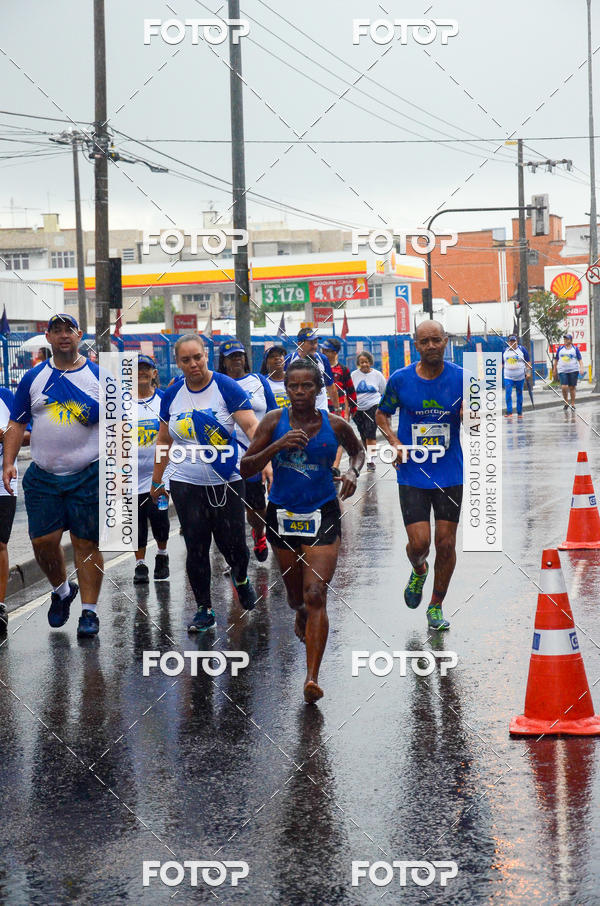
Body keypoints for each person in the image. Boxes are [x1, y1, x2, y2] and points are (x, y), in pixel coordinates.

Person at [241, 358, 364, 704]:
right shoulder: (272, 422)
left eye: (306, 386)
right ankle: (299, 611)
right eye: (292, 386)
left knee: (316, 595)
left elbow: (358, 453)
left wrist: (353, 472)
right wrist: (276, 447)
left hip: (322, 511)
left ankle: (312, 678)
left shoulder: (336, 425)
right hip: (281, 513)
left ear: (318, 389)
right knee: (297, 598)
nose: (298, 392)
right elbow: (246, 465)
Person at [2, 314, 104, 638]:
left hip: (88, 472)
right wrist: (9, 461)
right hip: (44, 476)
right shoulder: (33, 378)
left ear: (80, 335)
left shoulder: (101, 377)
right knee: (43, 542)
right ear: (47, 337)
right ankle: (62, 590)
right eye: (56, 330)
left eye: (68, 330)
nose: (63, 335)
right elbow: (16, 424)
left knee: (85, 542)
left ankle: (89, 613)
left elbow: (118, 425)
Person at [150, 334, 260, 632]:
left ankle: (241, 578)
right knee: (196, 545)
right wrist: (157, 480)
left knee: (233, 544)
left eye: (197, 357)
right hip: (186, 483)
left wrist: (265, 459)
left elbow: (251, 426)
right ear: (178, 363)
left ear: (206, 356)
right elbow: (164, 439)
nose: (193, 364)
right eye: (186, 360)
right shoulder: (172, 394)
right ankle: (204, 609)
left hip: (226, 479)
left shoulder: (225, 386)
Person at [376, 320, 463, 632]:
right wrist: (394, 442)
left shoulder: (462, 379)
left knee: (447, 543)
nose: (431, 346)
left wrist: (473, 415)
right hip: (413, 471)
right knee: (420, 543)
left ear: (445, 341)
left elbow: (480, 418)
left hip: (449, 471)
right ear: (416, 345)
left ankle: (436, 605)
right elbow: (382, 414)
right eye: (424, 341)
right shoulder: (400, 380)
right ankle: (419, 568)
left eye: (436, 340)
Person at [218, 338, 278, 562]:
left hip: (258, 453)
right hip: (228, 455)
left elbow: (273, 414)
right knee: (230, 509)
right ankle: (235, 557)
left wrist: (273, 450)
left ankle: (259, 533)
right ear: (223, 362)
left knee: (256, 506)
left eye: (239, 355)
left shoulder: (258, 381)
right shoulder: (218, 384)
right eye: (231, 356)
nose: (236, 359)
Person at [134, 354, 170, 584]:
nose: (141, 373)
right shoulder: (119, 403)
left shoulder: (164, 400)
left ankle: (162, 555)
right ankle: (140, 564)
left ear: (154, 373)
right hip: (131, 475)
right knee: (135, 522)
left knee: (159, 518)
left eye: (146, 369)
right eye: (137, 369)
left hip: (159, 474)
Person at [0, 388, 30, 635]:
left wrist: (8, 436)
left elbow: (27, 433)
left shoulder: (7, 397)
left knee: (0, 544)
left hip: (3, 483)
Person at [321, 337, 357, 475]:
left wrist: (353, 409)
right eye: (322, 349)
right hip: (322, 406)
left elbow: (350, 390)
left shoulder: (343, 370)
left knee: (338, 437)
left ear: (335, 352)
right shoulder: (318, 367)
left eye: (327, 350)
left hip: (339, 407)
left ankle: (335, 467)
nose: (323, 352)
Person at [284, 327, 339, 414]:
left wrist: (337, 409)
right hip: (297, 413)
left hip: (321, 411)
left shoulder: (322, 359)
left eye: (316, 343)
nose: (315, 346)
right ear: (300, 344)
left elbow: (330, 386)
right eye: (311, 343)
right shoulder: (289, 360)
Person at [351, 351, 387, 471]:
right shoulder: (354, 375)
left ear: (370, 362)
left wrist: (384, 410)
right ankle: (369, 454)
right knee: (363, 433)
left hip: (373, 406)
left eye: (366, 362)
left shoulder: (377, 375)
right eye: (362, 362)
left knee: (371, 432)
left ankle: (371, 460)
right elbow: (349, 392)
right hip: (358, 408)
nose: (364, 364)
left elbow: (384, 391)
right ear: (358, 363)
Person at [553, 332, 584, 410]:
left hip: (573, 370)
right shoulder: (560, 349)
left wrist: (581, 368)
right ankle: (566, 402)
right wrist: (554, 369)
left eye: (567, 339)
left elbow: (580, 359)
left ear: (571, 340)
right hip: (562, 371)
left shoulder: (575, 349)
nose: (565, 340)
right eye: (564, 339)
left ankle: (572, 404)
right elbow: (556, 360)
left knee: (572, 387)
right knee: (564, 387)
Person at [502, 334, 531, 418]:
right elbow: (502, 363)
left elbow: (528, 362)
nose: (512, 343)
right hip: (508, 376)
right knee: (508, 393)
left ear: (516, 341)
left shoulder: (522, 350)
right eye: (510, 341)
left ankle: (519, 412)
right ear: (508, 342)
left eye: (514, 341)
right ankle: (509, 412)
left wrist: (528, 373)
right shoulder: (505, 351)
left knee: (519, 393)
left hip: (520, 376)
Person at [260, 344, 290, 409]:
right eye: (272, 356)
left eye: (280, 355)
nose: (277, 358)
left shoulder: (293, 377)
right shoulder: (262, 382)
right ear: (266, 363)